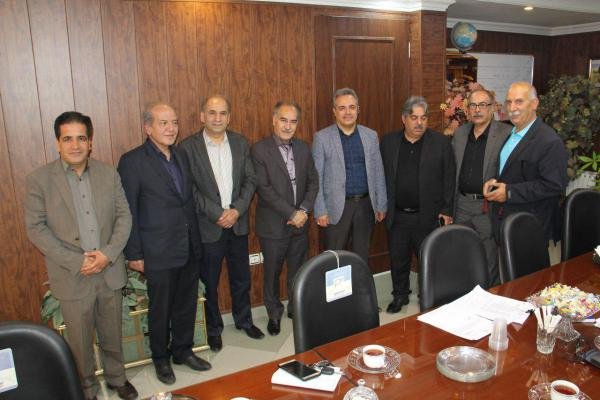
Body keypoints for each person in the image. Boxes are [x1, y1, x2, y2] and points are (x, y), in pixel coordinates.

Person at [25, 111, 138, 400]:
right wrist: (78, 261)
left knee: (112, 333)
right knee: (79, 340)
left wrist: (107, 255)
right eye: (68, 139)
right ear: (57, 143)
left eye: (81, 138)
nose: (75, 145)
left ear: (90, 142)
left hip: (108, 269)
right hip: (72, 274)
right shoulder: (39, 180)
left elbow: (124, 217)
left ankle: (117, 378)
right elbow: (36, 229)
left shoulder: (108, 174)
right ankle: (86, 387)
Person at [118, 103, 210, 386]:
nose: (171, 129)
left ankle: (183, 350)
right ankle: (161, 358)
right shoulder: (132, 161)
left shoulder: (181, 155)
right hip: (156, 249)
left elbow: (187, 201)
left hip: (188, 245)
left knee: (186, 304)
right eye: (164, 123)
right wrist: (134, 253)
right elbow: (128, 209)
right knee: (161, 308)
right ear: (148, 128)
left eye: (174, 122)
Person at [179, 95, 264, 352]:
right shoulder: (187, 147)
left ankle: (244, 320)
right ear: (202, 116)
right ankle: (214, 329)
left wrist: (236, 210)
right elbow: (189, 189)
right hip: (209, 226)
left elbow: (251, 180)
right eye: (212, 113)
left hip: (237, 224)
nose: (217, 118)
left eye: (223, 113)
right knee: (209, 281)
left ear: (229, 117)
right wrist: (217, 213)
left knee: (241, 277)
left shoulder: (240, 143)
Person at [380, 96, 455, 313]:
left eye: (423, 118)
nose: (419, 123)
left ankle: (427, 296)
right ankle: (400, 295)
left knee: (427, 260)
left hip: (428, 215)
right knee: (398, 259)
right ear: (404, 119)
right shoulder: (389, 143)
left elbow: (449, 178)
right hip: (398, 215)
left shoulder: (440, 143)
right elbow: (380, 176)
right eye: (414, 118)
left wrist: (447, 209)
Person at [251, 101, 319, 334]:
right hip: (273, 226)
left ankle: (295, 308)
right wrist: (292, 213)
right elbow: (264, 189)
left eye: (293, 121)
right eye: (283, 120)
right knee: (271, 273)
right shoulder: (259, 150)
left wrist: (304, 211)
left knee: (298, 270)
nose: (288, 126)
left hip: (300, 224)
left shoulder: (304, 148)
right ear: (274, 120)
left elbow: (313, 182)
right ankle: (274, 313)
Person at [483, 82, 568, 243]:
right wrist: (495, 181)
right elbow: (511, 171)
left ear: (534, 104)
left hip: (529, 227)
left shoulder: (549, 141)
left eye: (519, 101)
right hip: (506, 221)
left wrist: (509, 192)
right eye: (509, 102)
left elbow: (554, 185)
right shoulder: (512, 133)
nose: (512, 107)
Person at [312, 87, 387, 264]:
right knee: (334, 259)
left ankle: (359, 284)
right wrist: (320, 210)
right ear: (334, 111)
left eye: (352, 107)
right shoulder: (322, 138)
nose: (347, 112)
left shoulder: (371, 136)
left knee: (361, 257)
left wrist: (381, 204)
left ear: (358, 109)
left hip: (365, 206)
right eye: (342, 108)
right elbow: (316, 177)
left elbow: (378, 172)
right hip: (336, 208)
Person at [452, 89, 511, 285]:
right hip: (461, 205)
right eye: (473, 105)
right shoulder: (460, 133)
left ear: (492, 107)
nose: (477, 110)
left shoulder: (505, 134)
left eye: (483, 105)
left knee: (489, 259)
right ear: (467, 109)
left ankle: (491, 294)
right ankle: (465, 294)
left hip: (487, 207)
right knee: (461, 254)